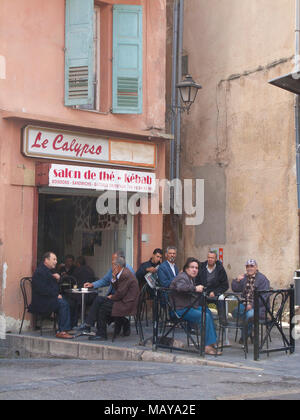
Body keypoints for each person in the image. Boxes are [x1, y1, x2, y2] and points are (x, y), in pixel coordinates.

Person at [169, 257, 221, 355]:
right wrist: (195, 288)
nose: (194, 270)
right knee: (204, 316)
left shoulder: (190, 278)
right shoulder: (182, 277)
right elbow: (180, 287)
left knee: (207, 311)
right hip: (180, 310)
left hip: (187, 307)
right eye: (192, 267)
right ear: (186, 269)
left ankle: (211, 341)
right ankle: (207, 346)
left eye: (196, 268)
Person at [83, 256, 140, 341]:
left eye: (113, 265)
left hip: (126, 303)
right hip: (122, 300)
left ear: (118, 266)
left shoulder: (125, 274)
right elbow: (118, 288)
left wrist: (112, 297)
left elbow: (120, 293)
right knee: (99, 299)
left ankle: (101, 334)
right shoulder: (121, 273)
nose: (111, 267)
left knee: (102, 307)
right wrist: (114, 278)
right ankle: (89, 324)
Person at [29, 252, 73, 339]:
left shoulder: (49, 271)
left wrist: (58, 279)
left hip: (48, 299)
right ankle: (62, 331)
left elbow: (53, 286)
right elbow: (42, 289)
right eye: (54, 259)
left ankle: (66, 328)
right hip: (41, 301)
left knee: (69, 301)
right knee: (63, 304)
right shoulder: (40, 271)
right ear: (46, 260)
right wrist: (55, 295)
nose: (56, 262)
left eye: (56, 259)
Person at [231, 259, 270, 343]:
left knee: (249, 315)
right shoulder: (245, 278)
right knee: (235, 312)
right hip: (245, 304)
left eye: (251, 266)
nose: (249, 268)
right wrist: (236, 280)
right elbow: (235, 288)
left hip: (259, 307)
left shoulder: (262, 279)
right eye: (247, 266)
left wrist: (252, 305)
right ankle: (250, 329)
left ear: (256, 267)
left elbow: (263, 297)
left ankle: (244, 336)